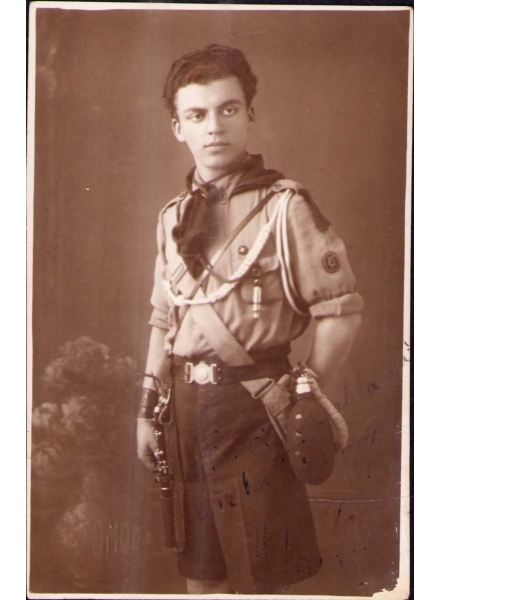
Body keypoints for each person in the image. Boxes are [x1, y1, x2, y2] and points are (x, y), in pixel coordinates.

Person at [136, 44, 363, 595]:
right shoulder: (171, 219)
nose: (214, 126)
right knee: (202, 577)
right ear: (178, 128)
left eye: (228, 109)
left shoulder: (285, 207)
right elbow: (163, 318)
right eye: (197, 115)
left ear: (249, 115)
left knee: (263, 579)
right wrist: (146, 410)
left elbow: (341, 311)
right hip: (185, 411)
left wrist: (304, 393)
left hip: (256, 410)